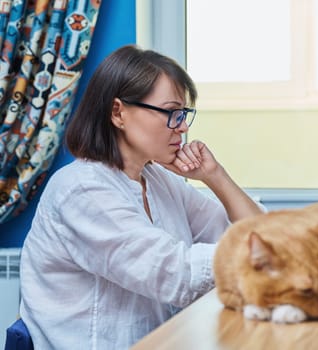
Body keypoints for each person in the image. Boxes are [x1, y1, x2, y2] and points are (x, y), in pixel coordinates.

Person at [18, 45, 264, 349]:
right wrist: (265, 255)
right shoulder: (81, 190)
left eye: (184, 113)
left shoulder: (158, 180)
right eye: (172, 113)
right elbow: (177, 275)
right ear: (118, 112)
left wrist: (216, 176)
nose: (183, 126)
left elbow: (256, 234)